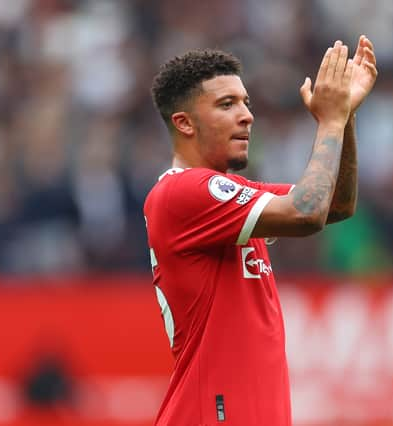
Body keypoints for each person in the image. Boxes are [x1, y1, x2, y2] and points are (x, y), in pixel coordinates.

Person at [144, 36, 377, 425]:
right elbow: (307, 211)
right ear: (184, 123)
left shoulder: (226, 197)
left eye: (246, 103)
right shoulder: (183, 192)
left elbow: (334, 204)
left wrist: (345, 115)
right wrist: (331, 121)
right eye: (226, 104)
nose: (247, 115)